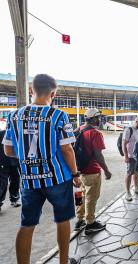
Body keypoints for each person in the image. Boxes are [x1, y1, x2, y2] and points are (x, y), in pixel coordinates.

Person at [2, 74, 81, 264]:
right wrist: (76, 174)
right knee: (63, 220)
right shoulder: (58, 115)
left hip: (29, 180)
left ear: (31, 90)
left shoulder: (14, 115)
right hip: (58, 179)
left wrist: (27, 159)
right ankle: (63, 261)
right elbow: (67, 149)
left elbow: (8, 149)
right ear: (53, 94)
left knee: (27, 224)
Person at [74, 108, 112, 234]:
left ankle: (79, 220)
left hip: (78, 171)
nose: (100, 120)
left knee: (80, 195)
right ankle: (90, 223)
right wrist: (106, 170)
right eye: (99, 118)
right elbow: (98, 154)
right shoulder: (95, 133)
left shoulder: (78, 130)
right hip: (92, 171)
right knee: (91, 197)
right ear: (94, 118)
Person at [123, 116, 138, 201]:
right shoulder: (129, 130)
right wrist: (126, 156)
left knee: (136, 172)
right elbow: (123, 144)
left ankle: (136, 188)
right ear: (136, 122)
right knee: (129, 173)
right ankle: (127, 192)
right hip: (131, 156)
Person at [0, 130, 20, 211]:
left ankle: (14, 198)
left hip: (15, 161)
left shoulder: (18, 132)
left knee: (16, 180)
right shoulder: (2, 133)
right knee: (2, 183)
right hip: (3, 162)